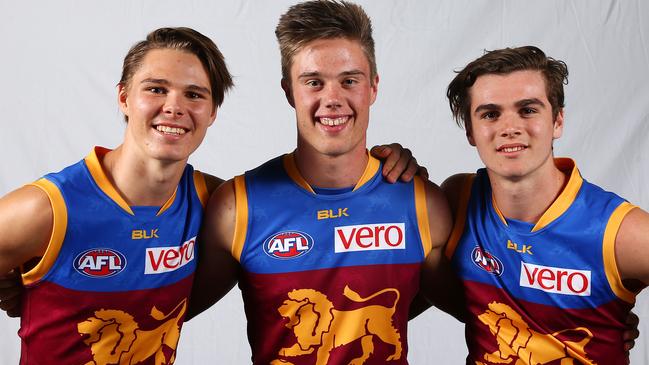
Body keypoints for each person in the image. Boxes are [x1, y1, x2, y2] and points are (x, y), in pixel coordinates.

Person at [0, 26, 418, 364]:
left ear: (213, 111)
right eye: (156, 89)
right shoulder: (46, 208)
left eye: (194, 94)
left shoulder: (217, 202)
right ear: (124, 97)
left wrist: (390, 164)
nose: (175, 107)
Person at [187, 1, 457, 364]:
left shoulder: (423, 203)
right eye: (314, 82)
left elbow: (481, 308)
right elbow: (166, 315)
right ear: (288, 91)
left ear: (373, 87)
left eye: (349, 80)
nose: (332, 99)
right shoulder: (237, 206)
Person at [438, 45, 649, 364]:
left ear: (558, 121)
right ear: (470, 130)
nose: (509, 127)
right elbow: (414, 283)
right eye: (491, 114)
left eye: (528, 110)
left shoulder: (621, 232)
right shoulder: (458, 200)